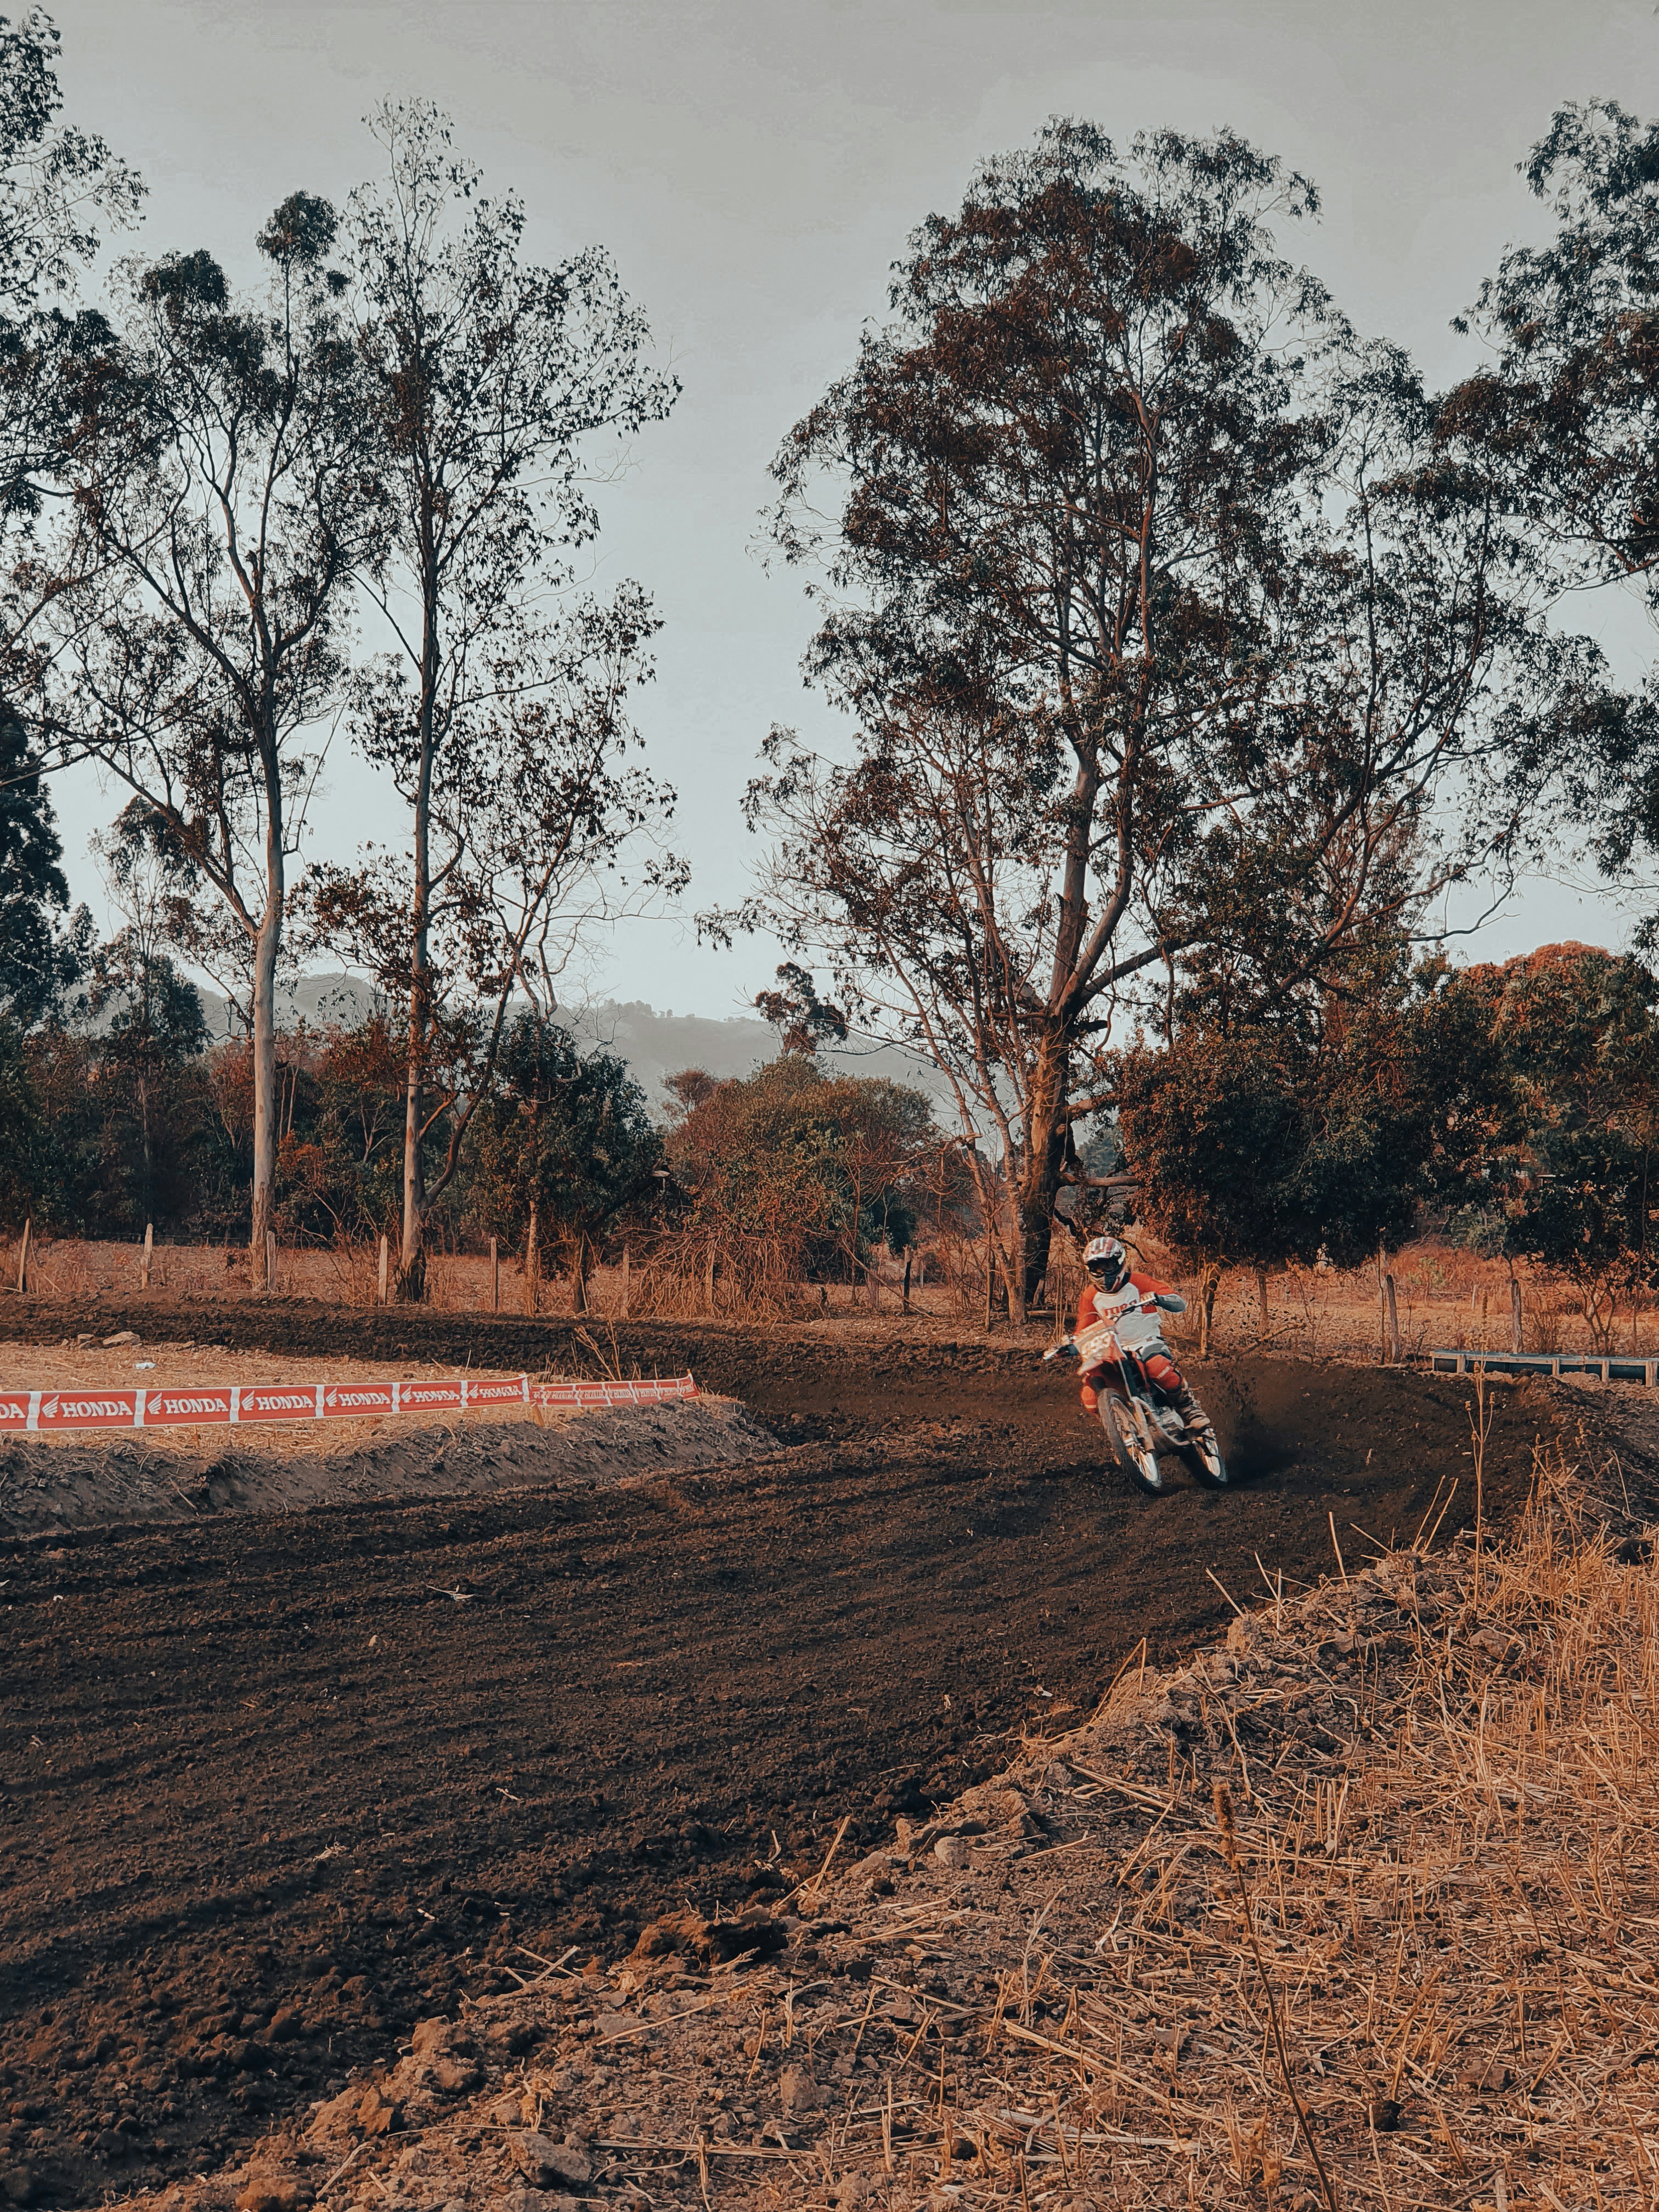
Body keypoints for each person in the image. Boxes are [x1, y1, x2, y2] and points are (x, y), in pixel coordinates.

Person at [1073, 1233, 1212, 1436]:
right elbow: (1082, 1329)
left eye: (1108, 1267)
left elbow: (1180, 1303)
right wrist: (1070, 1345)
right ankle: (1121, 1435)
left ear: (1119, 1263)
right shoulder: (1090, 1296)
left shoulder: (1138, 1282)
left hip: (1146, 1342)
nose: (1103, 1274)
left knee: (1157, 1367)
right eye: (1097, 1268)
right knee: (1089, 1395)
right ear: (1089, 1270)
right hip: (1112, 1351)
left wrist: (1157, 1298)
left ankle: (1189, 1409)